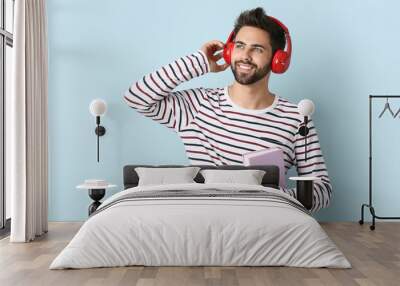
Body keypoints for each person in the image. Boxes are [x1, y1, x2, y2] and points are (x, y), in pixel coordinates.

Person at [123, 7, 332, 212]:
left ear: (278, 60)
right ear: (230, 51)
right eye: (240, 46)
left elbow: (322, 191)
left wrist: (269, 195)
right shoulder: (198, 105)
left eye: (257, 49)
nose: (245, 55)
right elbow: (137, 97)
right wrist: (200, 61)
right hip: (205, 221)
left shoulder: (296, 119)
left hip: (265, 225)